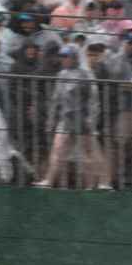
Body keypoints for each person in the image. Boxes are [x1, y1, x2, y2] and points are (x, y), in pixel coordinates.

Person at [36, 46, 107, 189]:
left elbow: (93, 98)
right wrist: (51, 120)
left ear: (74, 57)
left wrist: (91, 117)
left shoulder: (86, 74)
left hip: (81, 118)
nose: (64, 60)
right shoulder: (61, 75)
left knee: (91, 151)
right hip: (66, 118)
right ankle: (49, 180)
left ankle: (104, 182)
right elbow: (56, 100)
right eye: (62, 57)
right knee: (57, 148)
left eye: (67, 56)